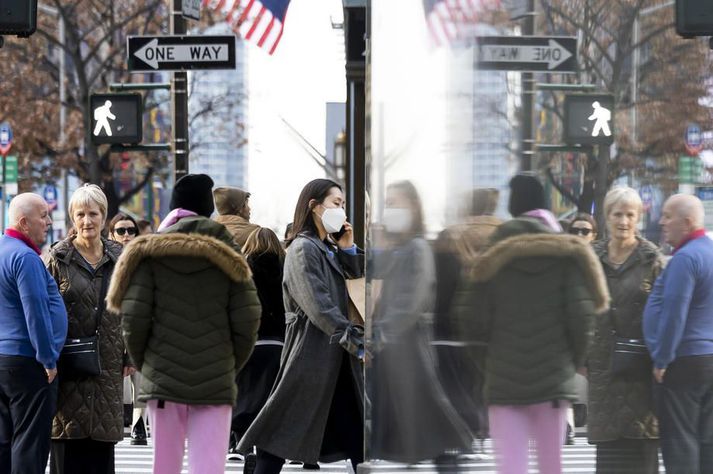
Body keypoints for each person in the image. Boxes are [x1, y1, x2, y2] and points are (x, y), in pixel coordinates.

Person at [107, 173, 261, 474]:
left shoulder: (149, 253)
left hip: (163, 378)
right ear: (208, 210)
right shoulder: (228, 253)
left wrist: (148, 364)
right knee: (208, 465)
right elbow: (248, 318)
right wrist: (229, 364)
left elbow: (134, 320)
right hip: (215, 376)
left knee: (165, 465)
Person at [455, 174, 608, 474]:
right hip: (553, 382)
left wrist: (487, 364)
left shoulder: (491, 256)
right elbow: (582, 318)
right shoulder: (568, 254)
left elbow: (470, 318)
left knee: (512, 466)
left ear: (512, 209)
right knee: (551, 465)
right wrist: (570, 362)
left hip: (503, 380)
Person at [237, 178, 365, 474]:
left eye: (343, 205)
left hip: (336, 359)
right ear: (314, 206)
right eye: (336, 204)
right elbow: (317, 304)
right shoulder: (302, 249)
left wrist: (348, 251)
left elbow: (356, 288)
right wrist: (354, 340)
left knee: (357, 436)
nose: (342, 211)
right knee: (280, 434)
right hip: (310, 356)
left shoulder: (327, 249)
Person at [370, 181, 471, 467]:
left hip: (408, 347)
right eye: (387, 203)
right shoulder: (399, 248)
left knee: (428, 415)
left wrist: (382, 331)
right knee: (422, 419)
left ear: (413, 207)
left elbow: (412, 298)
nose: (390, 209)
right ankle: (446, 456)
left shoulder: (416, 247)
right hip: (397, 348)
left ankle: (450, 455)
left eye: (396, 202)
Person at [45, 184, 126, 474]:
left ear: (104, 217)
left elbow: (133, 309)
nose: (87, 221)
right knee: (67, 449)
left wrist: (130, 355)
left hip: (108, 367)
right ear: (72, 218)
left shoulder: (121, 258)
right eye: (80, 214)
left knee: (100, 452)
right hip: (68, 369)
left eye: (93, 214)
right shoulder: (58, 258)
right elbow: (43, 311)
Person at [586, 188, 663, 473]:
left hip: (640, 369)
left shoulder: (651, 259)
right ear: (606, 217)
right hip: (602, 368)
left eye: (630, 214)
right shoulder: (590, 257)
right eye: (617, 214)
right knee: (609, 453)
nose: (624, 221)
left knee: (642, 448)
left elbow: (664, 313)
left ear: (638, 217)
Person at [643, 194, 713, 473]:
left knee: (680, 443)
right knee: (707, 442)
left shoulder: (685, 258)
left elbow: (674, 313)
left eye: (668, 216)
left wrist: (662, 359)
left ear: (687, 222)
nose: (661, 221)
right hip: (708, 360)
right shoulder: (709, 252)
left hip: (683, 360)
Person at [0, 193, 67, 474]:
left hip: (5, 360)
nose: (49, 221)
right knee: (30, 443)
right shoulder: (24, 257)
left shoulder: (3, 250)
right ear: (24, 222)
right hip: (29, 361)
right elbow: (36, 311)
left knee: (5, 441)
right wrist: (48, 358)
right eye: (43, 215)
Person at [433, 188, 502, 455]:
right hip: (487, 322)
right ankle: (480, 428)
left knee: (456, 381)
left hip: (448, 324)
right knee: (480, 380)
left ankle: (464, 431)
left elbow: (438, 283)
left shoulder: (450, 235)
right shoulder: (500, 234)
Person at [229, 227, 287, 460]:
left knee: (246, 396)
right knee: (270, 400)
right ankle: (265, 450)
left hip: (251, 343)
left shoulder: (242, 270)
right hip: (280, 343)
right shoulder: (285, 269)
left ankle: (244, 443)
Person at [107, 213, 147, 445]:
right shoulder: (103, 257)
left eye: (131, 230)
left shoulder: (143, 260)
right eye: (120, 231)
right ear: (111, 233)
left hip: (139, 324)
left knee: (140, 375)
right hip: (112, 324)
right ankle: (118, 415)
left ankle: (138, 423)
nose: (126, 235)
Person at [565, 212, 599, 446]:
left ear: (594, 235)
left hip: (597, 336)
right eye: (575, 230)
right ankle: (566, 426)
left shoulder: (601, 263)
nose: (580, 235)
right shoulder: (562, 263)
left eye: (585, 231)